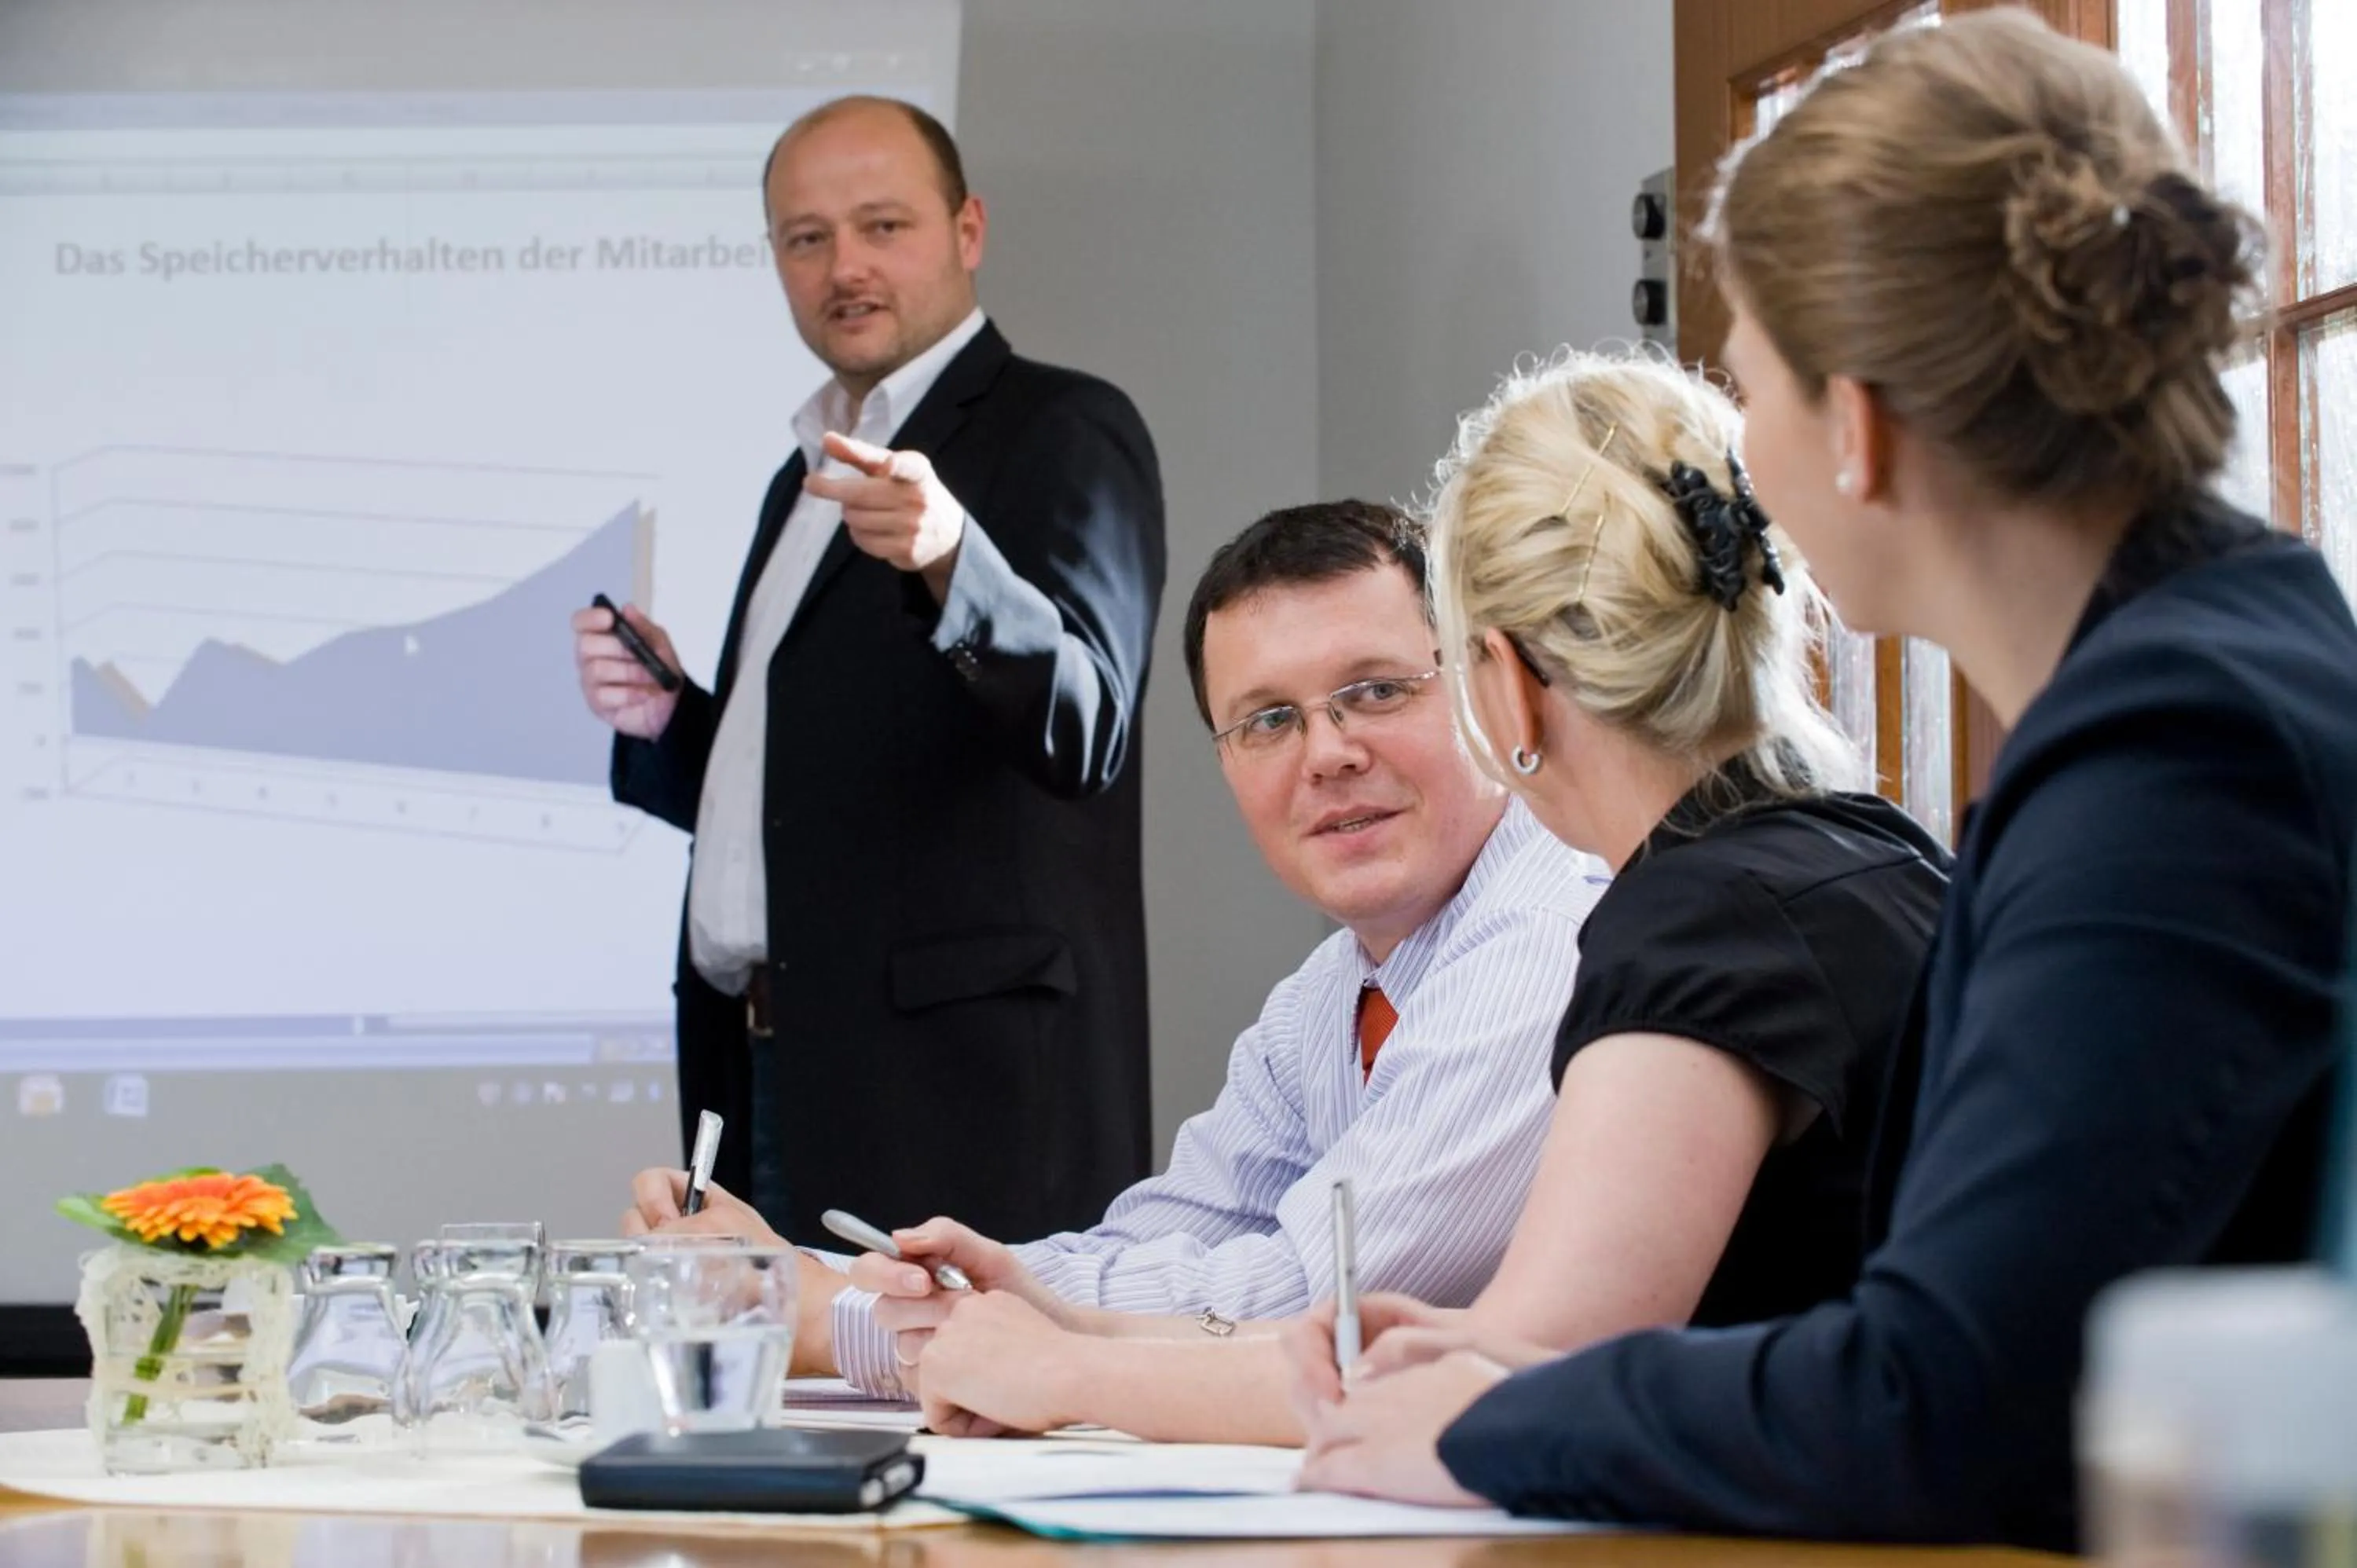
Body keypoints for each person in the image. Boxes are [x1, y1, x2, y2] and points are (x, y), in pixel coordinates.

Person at [1293, 13, 2357, 1552]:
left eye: (1750, 387)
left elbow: (1944, 1398)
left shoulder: (2175, 753)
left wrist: (1506, 1410)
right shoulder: (2224, 660)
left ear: (1851, 425)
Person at [907, 350, 1952, 1443]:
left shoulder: (1698, 924)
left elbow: (1513, 1387)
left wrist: (1071, 1380)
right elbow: (1460, 1347)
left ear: (1492, 674)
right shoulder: (1861, 854)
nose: (1329, 752)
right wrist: (1077, 1329)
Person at [622, 500, 1607, 1402]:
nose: (1327, 752)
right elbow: (1163, 1238)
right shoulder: (1329, 992)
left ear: (1491, 690)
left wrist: (829, 1318)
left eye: (1376, 690)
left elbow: (1304, 1298)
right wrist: (801, 1275)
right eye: (1268, 719)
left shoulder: (1552, 938)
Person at [571, 96, 1166, 1244]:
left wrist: (954, 558)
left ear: (968, 230)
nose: (845, 266)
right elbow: (820, 794)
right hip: (761, 1076)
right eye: (807, 238)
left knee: (939, 1420)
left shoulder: (1063, 428)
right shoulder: (795, 481)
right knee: (779, 1415)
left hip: (959, 1106)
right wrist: (674, 723)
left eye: (882, 225)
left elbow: (1087, 727)